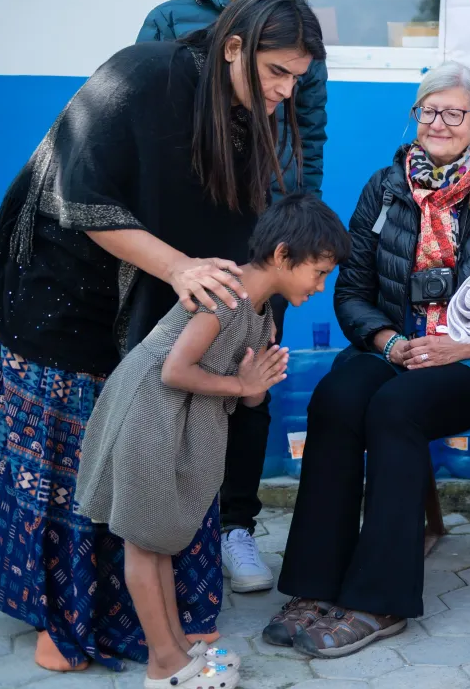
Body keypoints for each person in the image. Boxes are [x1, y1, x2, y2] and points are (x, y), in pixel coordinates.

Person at [0, 0, 326, 672]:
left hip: (148, 314)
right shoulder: (143, 75)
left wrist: (253, 324)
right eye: (277, 72)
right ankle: (63, 623)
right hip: (60, 298)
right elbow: (78, 193)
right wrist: (178, 268)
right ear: (233, 48)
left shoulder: (248, 114)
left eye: (297, 78)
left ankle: (157, 627)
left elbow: (235, 234)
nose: (285, 91)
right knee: (77, 470)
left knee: (141, 469)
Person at [264, 61, 470, 658]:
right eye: (428, 110)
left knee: (396, 409)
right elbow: (352, 293)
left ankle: (382, 598)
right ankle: (314, 583)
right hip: (399, 347)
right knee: (337, 398)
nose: (439, 122)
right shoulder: (385, 187)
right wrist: (389, 342)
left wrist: (468, 345)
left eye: (454, 112)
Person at [76, 194, 349, 688]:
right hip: (147, 415)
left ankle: (176, 648)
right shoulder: (227, 294)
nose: (320, 286)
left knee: (158, 541)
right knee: (143, 544)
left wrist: (254, 386)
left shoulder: (262, 313)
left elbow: (247, 391)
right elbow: (175, 369)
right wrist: (242, 386)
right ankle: (163, 665)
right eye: (319, 272)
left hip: (170, 423)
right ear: (283, 255)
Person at [138, 0, 326, 591]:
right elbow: (145, 127)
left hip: (258, 242)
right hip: (180, 244)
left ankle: (236, 526)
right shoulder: (172, 21)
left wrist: (290, 241)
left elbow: (309, 140)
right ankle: (160, 528)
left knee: (255, 376)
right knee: (172, 373)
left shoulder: (298, 35)